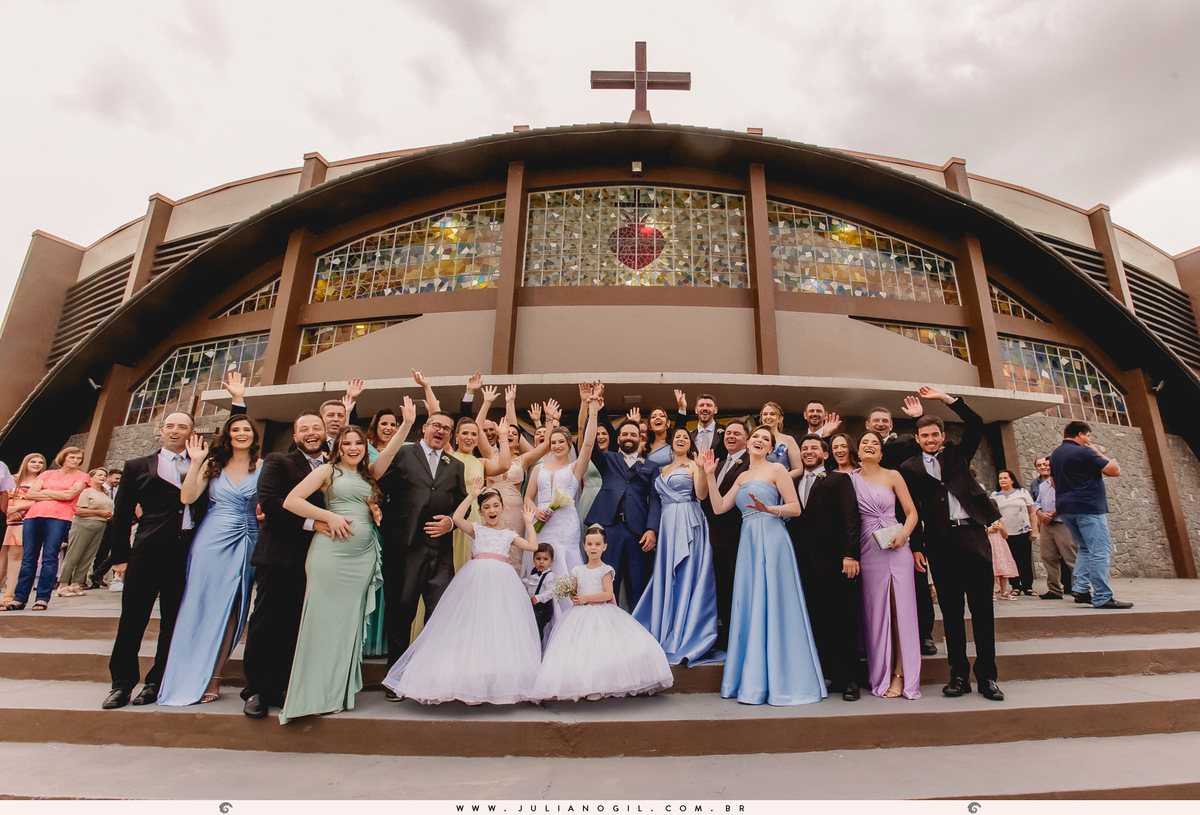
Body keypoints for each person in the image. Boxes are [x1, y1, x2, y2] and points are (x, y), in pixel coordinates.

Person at [280, 406, 415, 723]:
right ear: (337, 447)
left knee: (346, 627)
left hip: (363, 555)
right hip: (331, 555)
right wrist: (327, 516)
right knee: (322, 624)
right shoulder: (327, 472)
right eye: (347, 444)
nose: (353, 448)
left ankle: (337, 692)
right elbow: (292, 501)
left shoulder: (369, 475)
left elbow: (391, 450)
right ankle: (312, 694)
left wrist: (408, 423)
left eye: (357, 443)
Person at [383, 479, 543, 704]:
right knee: (473, 625)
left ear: (503, 508)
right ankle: (469, 683)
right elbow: (457, 519)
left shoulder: (508, 535)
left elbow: (533, 547)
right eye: (486, 507)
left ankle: (494, 682)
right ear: (480, 512)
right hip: (476, 580)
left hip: (502, 583)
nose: (492, 510)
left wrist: (528, 523)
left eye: (496, 505)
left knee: (497, 626)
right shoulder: (476, 529)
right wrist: (472, 494)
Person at [702, 427, 826, 706]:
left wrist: (772, 510)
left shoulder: (777, 471)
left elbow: (795, 508)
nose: (759, 441)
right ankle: (751, 677)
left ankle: (784, 677)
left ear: (770, 448)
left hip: (773, 537)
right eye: (755, 437)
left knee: (776, 602)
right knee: (750, 602)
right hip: (748, 540)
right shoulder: (742, 476)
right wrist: (709, 475)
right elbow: (720, 506)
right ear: (747, 444)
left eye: (765, 440)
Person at [897, 386, 1003, 702]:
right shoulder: (909, 468)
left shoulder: (959, 454)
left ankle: (987, 678)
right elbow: (910, 510)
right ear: (917, 439)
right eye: (924, 435)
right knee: (952, 615)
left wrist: (946, 399)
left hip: (973, 537)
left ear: (943, 435)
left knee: (983, 613)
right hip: (941, 544)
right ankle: (958, 676)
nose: (930, 439)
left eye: (934, 434)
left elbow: (975, 422)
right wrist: (916, 547)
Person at [100, 412, 207, 709]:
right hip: (147, 550)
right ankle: (121, 684)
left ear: (192, 432)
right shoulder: (137, 466)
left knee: (173, 621)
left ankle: (156, 681)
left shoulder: (203, 464)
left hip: (186, 552)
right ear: (160, 431)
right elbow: (120, 516)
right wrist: (120, 558)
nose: (175, 430)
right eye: (170, 426)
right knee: (132, 620)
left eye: (182, 426)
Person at [158, 415, 261, 706]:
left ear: (254, 436)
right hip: (212, 540)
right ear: (227, 435)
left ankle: (215, 675)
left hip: (248, 539)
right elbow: (188, 497)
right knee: (201, 604)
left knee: (233, 607)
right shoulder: (211, 464)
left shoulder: (263, 467)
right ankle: (187, 674)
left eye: (247, 430)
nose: (242, 433)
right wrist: (195, 461)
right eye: (236, 429)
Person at [240, 410, 333, 718]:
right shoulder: (277, 462)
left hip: (318, 559)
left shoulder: (334, 467)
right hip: (279, 555)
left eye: (316, 427)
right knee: (267, 622)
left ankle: (282, 685)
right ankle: (255, 690)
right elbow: (270, 504)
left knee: (297, 624)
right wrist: (312, 524)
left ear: (324, 433)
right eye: (303, 428)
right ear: (295, 436)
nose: (311, 432)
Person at [531, 525, 674, 702]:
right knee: (581, 649)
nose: (593, 548)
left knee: (601, 647)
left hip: (601, 612)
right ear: (584, 546)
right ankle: (581, 683)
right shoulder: (577, 570)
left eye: (598, 544)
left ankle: (600, 685)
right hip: (579, 615)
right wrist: (573, 596)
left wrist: (585, 598)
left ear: (604, 547)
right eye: (590, 544)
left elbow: (607, 594)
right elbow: (576, 592)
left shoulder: (605, 570)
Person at [376, 409, 467, 675]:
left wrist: (450, 522)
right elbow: (379, 486)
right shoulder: (402, 454)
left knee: (438, 613)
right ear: (425, 427)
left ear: (450, 435)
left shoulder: (456, 465)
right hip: (404, 548)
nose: (440, 431)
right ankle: (395, 675)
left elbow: (464, 504)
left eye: (446, 429)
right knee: (401, 613)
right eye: (436, 426)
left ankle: (427, 674)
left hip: (440, 553)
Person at [632, 426, 718, 665]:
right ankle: (665, 626)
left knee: (686, 574)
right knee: (668, 576)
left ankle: (684, 631)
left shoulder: (693, 466)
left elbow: (701, 495)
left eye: (685, 437)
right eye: (677, 437)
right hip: (668, 525)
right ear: (671, 443)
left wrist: (701, 468)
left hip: (689, 521)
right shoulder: (661, 469)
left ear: (690, 444)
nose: (681, 439)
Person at [788, 435, 863, 701]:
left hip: (836, 564)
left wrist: (850, 554)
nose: (808, 452)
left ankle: (851, 678)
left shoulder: (838, 480)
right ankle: (828, 673)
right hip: (803, 565)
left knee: (842, 620)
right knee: (817, 620)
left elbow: (851, 518)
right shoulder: (791, 482)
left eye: (814, 448)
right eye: (805, 449)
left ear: (825, 454)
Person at [852, 431, 922, 699]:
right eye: (864, 443)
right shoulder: (851, 479)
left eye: (874, 444)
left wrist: (905, 534)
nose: (869, 446)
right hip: (867, 550)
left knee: (899, 611)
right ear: (857, 452)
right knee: (875, 613)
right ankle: (880, 671)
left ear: (881, 453)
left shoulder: (893, 476)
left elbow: (912, 512)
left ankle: (900, 674)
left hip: (895, 545)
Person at [526, 391, 600, 620]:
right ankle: (543, 621)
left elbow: (588, 443)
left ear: (569, 445)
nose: (557, 445)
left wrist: (593, 410)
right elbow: (527, 498)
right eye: (553, 442)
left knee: (565, 571)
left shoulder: (575, 467)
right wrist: (536, 511)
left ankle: (568, 620)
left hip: (565, 525)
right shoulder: (538, 469)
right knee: (541, 568)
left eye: (561, 442)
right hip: (542, 527)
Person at [585, 390, 662, 608]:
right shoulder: (607, 459)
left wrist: (652, 529)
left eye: (633, 434)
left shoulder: (651, 466)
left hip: (638, 532)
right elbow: (588, 442)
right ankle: (607, 630)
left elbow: (655, 499)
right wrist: (592, 411)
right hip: (609, 529)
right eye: (625, 434)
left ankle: (639, 632)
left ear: (640, 438)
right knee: (607, 584)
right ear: (618, 439)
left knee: (638, 585)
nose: (629, 437)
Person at [1049, 421, 1131, 609]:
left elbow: (1053, 483)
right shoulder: (1084, 451)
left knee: (1085, 549)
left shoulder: (1056, 454)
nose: (1089, 440)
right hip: (1088, 507)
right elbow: (1114, 470)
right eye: (1088, 436)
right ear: (1080, 434)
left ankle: (1081, 589)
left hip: (1066, 508)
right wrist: (1097, 451)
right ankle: (1102, 596)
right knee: (1100, 551)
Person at [6, 447, 91, 612]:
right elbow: (31, 494)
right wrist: (59, 494)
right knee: (28, 559)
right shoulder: (47, 474)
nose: (75, 461)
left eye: (78, 458)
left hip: (59, 518)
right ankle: (19, 599)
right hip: (33, 517)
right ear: (63, 458)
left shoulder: (82, 476)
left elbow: (69, 496)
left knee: (50, 558)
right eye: (72, 457)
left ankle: (42, 599)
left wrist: (45, 492)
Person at [705, 418, 749, 647]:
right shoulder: (719, 462)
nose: (731, 437)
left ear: (747, 439)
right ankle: (726, 634)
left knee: (736, 586)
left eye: (737, 434)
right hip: (716, 535)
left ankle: (738, 635)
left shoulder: (751, 463)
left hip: (738, 534)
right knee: (721, 585)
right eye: (728, 433)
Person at [56, 468, 113, 597]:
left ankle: (77, 583)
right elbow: (78, 511)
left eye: (104, 475)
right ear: (91, 477)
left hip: (100, 525)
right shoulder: (86, 492)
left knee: (88, 556)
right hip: (84, 524)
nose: (103, 477)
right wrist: (99, 512)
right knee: (74, 554)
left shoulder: (105, 493)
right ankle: (63, 584)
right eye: (99, 475)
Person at [2, 454, 44, 605]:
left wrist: (19, 507)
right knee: (2, 556)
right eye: (33, 461)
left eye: (40, 462)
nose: (36, 464)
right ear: (26, 462)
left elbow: (43, 500)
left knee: (15, 556)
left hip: (26, 520)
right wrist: (10, 510)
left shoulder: (42, 482)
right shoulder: (12, 479)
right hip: (6, 518)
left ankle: (9, 595)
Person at [990, 470, 1037, 596]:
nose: (1003, 480)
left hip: (1023, 530)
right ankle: (1015, 586)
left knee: (1025, 559)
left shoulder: (1022, 492)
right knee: (1011, 559)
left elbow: (1032, 512)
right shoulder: (995, 496)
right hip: (1005, 533)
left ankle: (1028, 586)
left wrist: (1034, 530)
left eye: (1006, 477)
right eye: (1000, 478)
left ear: (1012, 480)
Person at [1033, 474, 1076, 600]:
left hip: (1063, 523)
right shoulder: (1043, 485)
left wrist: (1052, 513)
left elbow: (1069, 500)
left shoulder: (1067, 481)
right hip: (1046, 525)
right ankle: (1054, 589)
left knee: (1071, 557)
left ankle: (1080, 588)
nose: (1046, 467)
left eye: (1048, 465)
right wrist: (1040, 514)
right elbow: (1037, 502)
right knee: (1048, 557)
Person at [675, 389, 727, 459]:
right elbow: (677, 434)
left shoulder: (726, 431)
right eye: (701, 405)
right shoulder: (690, 436)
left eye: (709, 405)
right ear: (696, 410)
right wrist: (682, 408)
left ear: (715, 410)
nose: (705, 408)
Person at [523, 542, 557, 640]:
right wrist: (524, 581)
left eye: (545, 559)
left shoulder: (550, 576)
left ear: (551, 561)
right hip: (534, 607)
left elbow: (551, 591)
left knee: (538, 628)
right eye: (538, 559)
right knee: (531, 627)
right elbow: (533, 584)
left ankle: (538, 647)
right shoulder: (534, 574)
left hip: (543, 608)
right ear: (533, 560)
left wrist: (539, 597)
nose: (541, 562)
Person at [757, 402, 802, 475]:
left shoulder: (788, 440)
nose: (768, 417)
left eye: (772, 414)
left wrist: (779, 480)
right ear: (761, 418)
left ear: (780, 418)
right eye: (765, 414)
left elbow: (798, 469)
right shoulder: (756, 440)